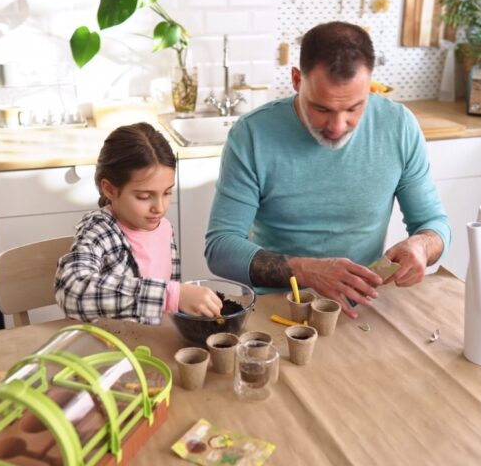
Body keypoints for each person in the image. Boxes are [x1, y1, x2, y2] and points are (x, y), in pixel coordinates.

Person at [205, 21, 450, 319]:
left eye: (354, 108)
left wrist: (422, 246)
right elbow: (220, 249)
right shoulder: (252, 134)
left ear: (370, 84)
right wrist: (307, 271)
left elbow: (434, 224)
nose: (337, 127)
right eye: (321, 109)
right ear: (296, 80)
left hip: (361, 308)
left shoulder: (399, 126)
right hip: (278, 306)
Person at [55, 122, 222, 324]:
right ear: (109, 189)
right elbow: (73, 291)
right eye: (144, 196)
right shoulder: (100, 231)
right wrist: (170, 295)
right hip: (115, 347)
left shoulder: (163, 227)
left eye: (167, 192)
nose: (159, 208)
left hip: (155, 340)